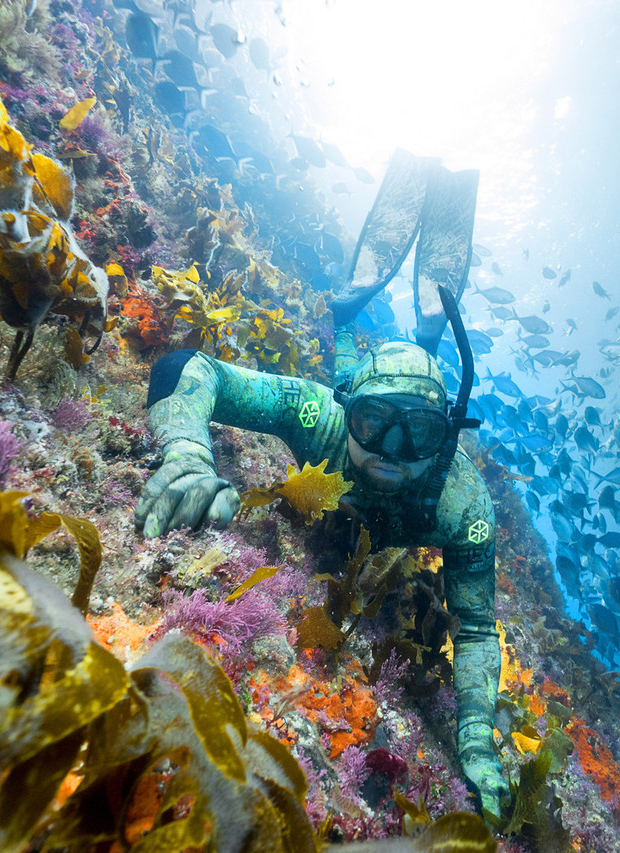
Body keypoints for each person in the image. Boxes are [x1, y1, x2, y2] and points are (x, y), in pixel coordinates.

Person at [134, 152, 508, 817]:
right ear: (348, 411)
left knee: (417, 339)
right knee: (349, 321)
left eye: (416, 433)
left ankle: (422, 323)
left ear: (446, 438)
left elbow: (477, 626)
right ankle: (362, 302)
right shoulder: (321, 414)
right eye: (373, 421)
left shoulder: (465, 503)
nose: (391, 450)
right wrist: (187, 453)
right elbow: (186, 368)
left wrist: (476, 737)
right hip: (345, 392)